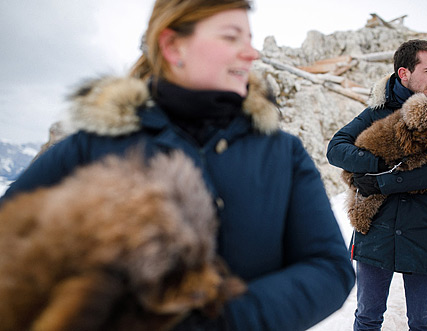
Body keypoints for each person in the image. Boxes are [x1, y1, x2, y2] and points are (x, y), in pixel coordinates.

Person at [0, 0, 356, 329]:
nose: (252, 52)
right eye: (232, 37)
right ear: (173, 47)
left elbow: (330, 269)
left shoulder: (281, 153)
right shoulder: (94, 145)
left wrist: (224, 320)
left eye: (250, 37)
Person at [326, 39, 427, 331]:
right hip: (379, 229)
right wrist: (376, 164)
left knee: (423, 322)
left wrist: (385, 183)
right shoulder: (377, 111)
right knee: (367, 318)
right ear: (404, 73)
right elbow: (336, 148)